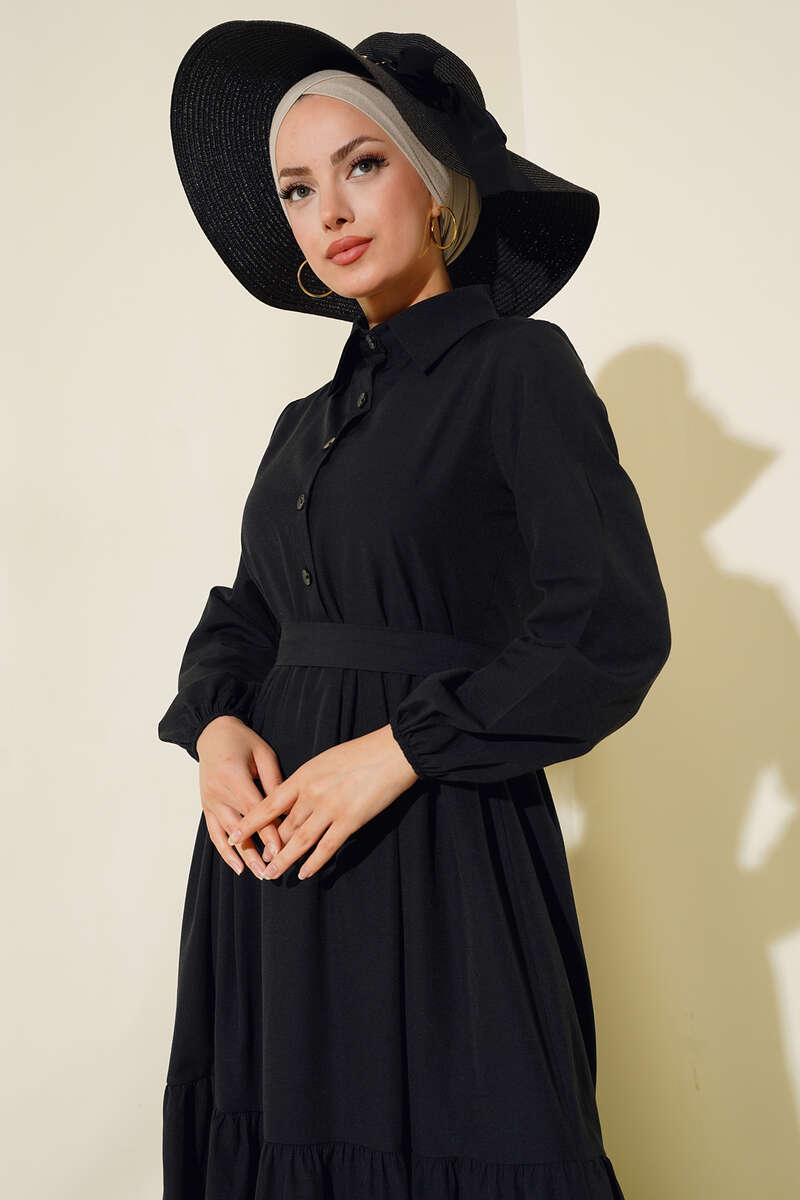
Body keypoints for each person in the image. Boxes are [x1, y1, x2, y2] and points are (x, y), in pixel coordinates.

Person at [157, 20, 671, 1200]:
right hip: (270, 868)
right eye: (298, 188)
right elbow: (250, 611)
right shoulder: (302, 426)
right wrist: (217, 730)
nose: (328, 210)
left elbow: (603, 626)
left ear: (436, 190)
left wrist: (397, 751)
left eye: (362, 164)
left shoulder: (518, 369)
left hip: (435, 851)